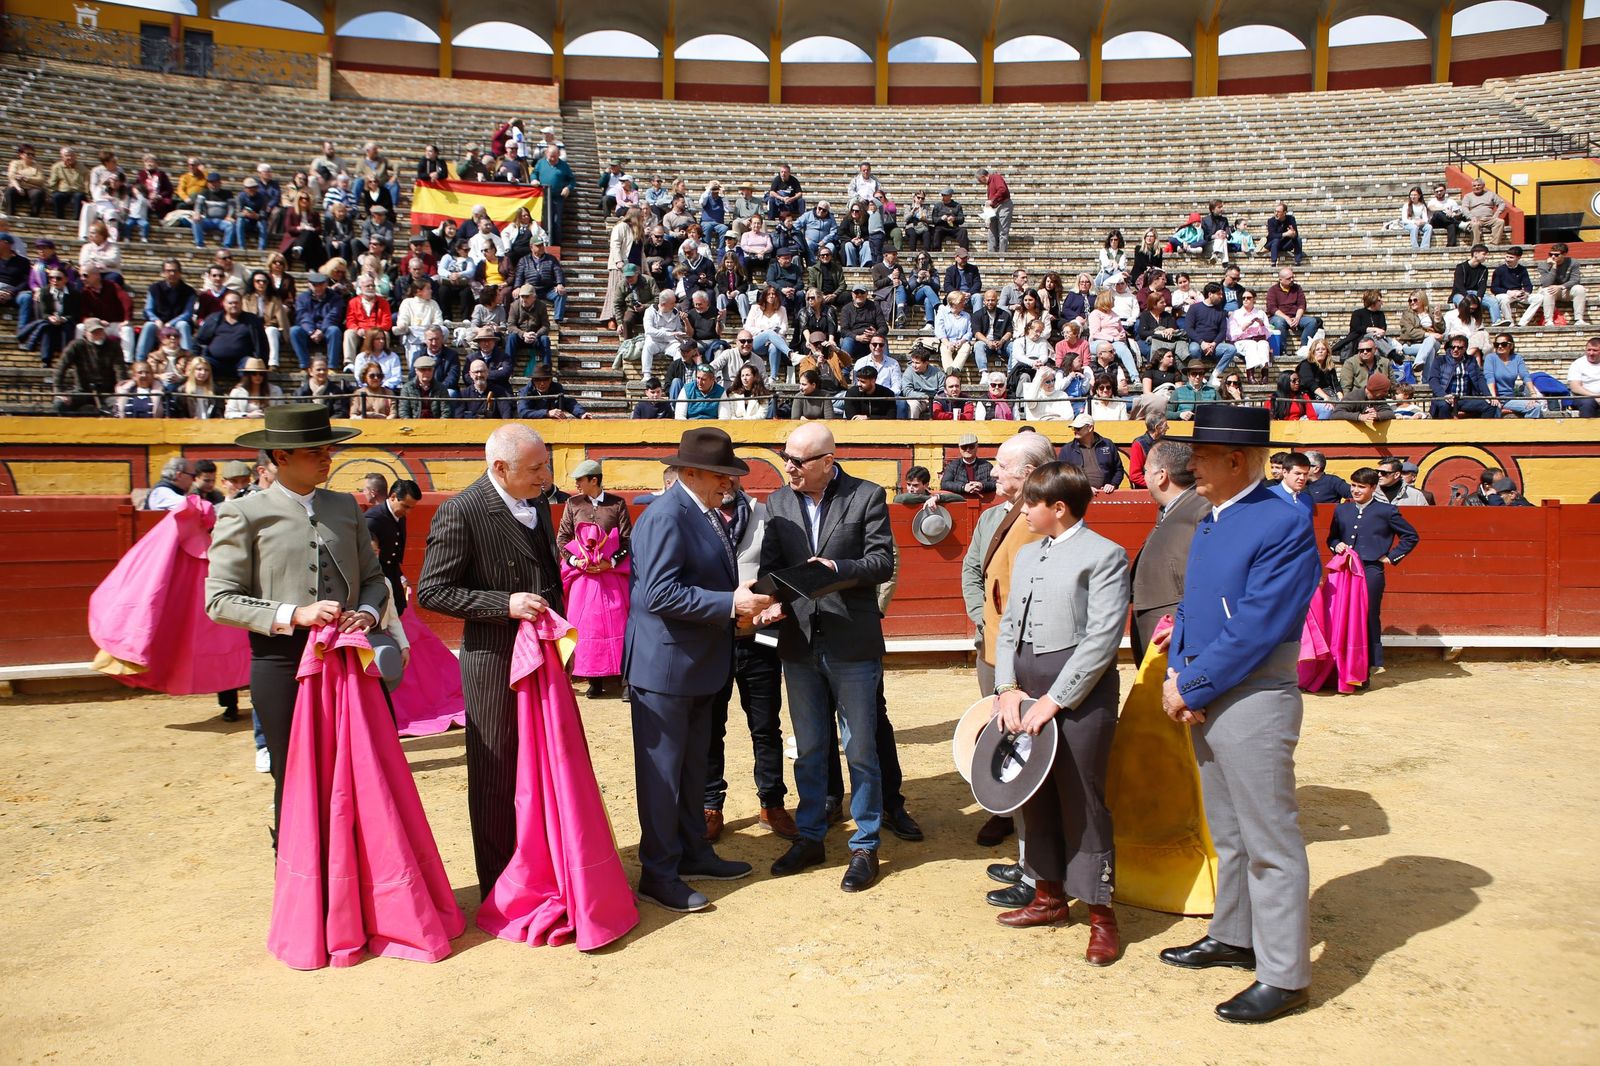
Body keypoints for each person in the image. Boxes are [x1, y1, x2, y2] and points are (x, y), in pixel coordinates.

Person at [1158, 404, 1322, 1024]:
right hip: (1208, 689)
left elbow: (1258, 626)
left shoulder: (1282, 520)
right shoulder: (1214, 515)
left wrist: (1191, 683)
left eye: (1199, 455)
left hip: (1252, 693)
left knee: (1269, 839)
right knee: (1228, 830)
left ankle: (1284, 974)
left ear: (1234, 460)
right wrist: (1180, 669)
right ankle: (1234, 936)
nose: (1188, 463)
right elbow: (1194, 607)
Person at [205, 404, 388, 839]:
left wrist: (365, 611)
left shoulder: (345, 506)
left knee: (360, 772)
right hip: (282, 662)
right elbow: (219, 600)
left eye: (328, 448)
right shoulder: (243, 513)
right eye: (314, 451)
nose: (327, 457)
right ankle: (302, 885)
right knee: (294, 775)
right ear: (281, 457)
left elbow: (374, 580)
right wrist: (293, 614)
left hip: (348, 658)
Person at [622, 428, 773, 912]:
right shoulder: (668, 515)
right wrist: (730, 602)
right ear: (689, 472)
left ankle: (692, 851)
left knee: (689, 771)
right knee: (663, 776)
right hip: (666, 668)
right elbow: (658, 595)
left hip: (692, 664)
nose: (727, 484)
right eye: (719, 474)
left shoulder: (697, 511)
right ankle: (659, 872)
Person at [413, 424, 565, 896]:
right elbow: (432, 591)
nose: (546, 477)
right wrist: (504, 604)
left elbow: (548, 574)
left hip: (538, 656)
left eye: (545, 465)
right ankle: (500, 884)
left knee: (543, 763)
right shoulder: (461, 510)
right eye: (536, 467)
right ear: (500, 467)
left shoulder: (537, 501)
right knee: (497, 770)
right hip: (493, 659)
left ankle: (542, 865)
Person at [990, 462, 1130, 965]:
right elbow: (1008, 628)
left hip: (1079, 693)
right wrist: (1007, 689)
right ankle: (1048, 896)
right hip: (1026, 688)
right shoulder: (1028, 555)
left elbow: (1101, 641)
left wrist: (1056, 699)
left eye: (1031, 502)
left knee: (1083, 796)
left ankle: (1101, 914)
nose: (1023, 509)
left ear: (1059, 508)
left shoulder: (1105, 555)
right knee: (1033, 790)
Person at [761, 423, 896, 893]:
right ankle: (813, 835)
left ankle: (864, 844)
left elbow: (882, 563)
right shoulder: (777, 501)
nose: (790, 467)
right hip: (798, 640)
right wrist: (772, 600)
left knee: (859, 747)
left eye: (798, 460)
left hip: (850, 639)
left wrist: (837, 568)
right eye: (786, 457)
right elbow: (771, 569)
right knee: (811, 747)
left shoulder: (866, 496)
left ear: (827, 461)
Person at [960, 430, 1056, 860]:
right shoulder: (990, 518)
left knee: (1035, 735)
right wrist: (986, 621)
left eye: (1001, 465)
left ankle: (1034, 839)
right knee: (998, 729)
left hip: (1035, 649)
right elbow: (972, 573)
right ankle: (1003, 805)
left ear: (1030, 473)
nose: (992, 471)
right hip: (993, 645)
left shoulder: (1054, 520)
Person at [702, 476, 798, 843]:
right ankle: (711, 804)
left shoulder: (763, 514)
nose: (725, 481)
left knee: (766, 725)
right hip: (712, 635)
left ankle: (772, 803)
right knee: (711, 727)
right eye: (720, 474)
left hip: (761, 634)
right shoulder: (697, 516)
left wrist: (768, 607)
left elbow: (779, 570)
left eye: (732, 474)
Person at [1328, 468, 1420, 679]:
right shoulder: (1342, 510)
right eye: (1353, 485)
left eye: (1361, 487)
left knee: (1368, 614)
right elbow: (1331, 538)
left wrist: (1391, 557)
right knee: (1341, 613)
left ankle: (1369, 663)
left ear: (1372, 488)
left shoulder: (1386, 511)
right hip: (1345, 568)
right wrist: (1337, 545)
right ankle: (1339, 659)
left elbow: (1411, 536)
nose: (1356, 490)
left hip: (1370, 568)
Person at [555, 459, 634, 699]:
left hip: (611, 574)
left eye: (580, 480)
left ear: (594, 480)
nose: (576, 484)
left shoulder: (617, 504)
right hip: (584, 576)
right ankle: (594, 679)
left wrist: (610, 562)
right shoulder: (572, 504)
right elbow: (562, 539)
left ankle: (626, 681)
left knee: (620, 623)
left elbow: (627, 540)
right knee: (587, 626)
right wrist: (575, 561)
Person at [365, 479, 420, 618]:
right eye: (405, 506)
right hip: (375, 578)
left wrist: (400, 576)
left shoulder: (398, 515)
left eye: (411, 508)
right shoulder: (373, 519)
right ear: (393, 497)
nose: (408, 512)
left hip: (392, 574)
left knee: (399, 607)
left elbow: (393, 554)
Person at [1518, 243, 1587, 328]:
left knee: (1579, 289)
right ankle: (1549, 321)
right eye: (1551, 254)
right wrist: (1554, 267)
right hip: (1550, 292)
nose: (1553, 257)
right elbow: (1546, 283)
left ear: (1564, 254)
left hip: (1564, 290)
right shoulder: (1543, 265)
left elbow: (1575, 280)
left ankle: (1579, 319)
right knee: (1548, 290)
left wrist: (1560, 287)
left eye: (1556, 255)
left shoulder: (1573, 263)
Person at [1426, 335, 1492, 419]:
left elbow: (1480, 378)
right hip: (1445, 398)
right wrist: (1444, 395)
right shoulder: (1440, 360)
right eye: (1453, 347)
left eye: (1459, 348)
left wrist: (1488, 395)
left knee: (1490, 406)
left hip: (1464, 398)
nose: (1455, 350)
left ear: (1465, 349)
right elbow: (1433, 380)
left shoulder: (1471, 360)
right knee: (1444, 406)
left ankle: (1480, 430)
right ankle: (1444, 430)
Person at [1057, 412, 1124, 493]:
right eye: (1073, 428)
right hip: (1078, 495)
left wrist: (1112, 484)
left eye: (1078, 428)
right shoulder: (1067, 449)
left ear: (1090, 428)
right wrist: (1082, 488)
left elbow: (1118, 469)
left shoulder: (1108, 444)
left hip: (1106, 494)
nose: (1074, 431)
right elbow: (1061, 475)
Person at [1461, 177, 1508, 246]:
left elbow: (1502, 203)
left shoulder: (1491, 194)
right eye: (1474, 186)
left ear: (1483, 186)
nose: (1476, 187)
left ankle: (1494, 244)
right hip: (1475, 219)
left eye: (1478, 185)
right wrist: (1471, 217)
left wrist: (1498, 212)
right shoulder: (1468, 196)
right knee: (1475, 225)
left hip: (1489, 218)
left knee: (1500, 222)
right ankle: (1476, 246)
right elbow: (1464, 208)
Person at [979, 167, 1012, 254]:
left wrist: (992, 200)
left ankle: (1002, 253)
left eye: (980, 180)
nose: (980, 182)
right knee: (991, 231)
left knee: (1003, 231)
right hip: (994, 208)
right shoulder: (989, 184)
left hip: (1004, 205)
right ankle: (991, 253)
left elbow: (1002, 189)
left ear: (983, 176)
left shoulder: (996, 177)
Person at [1566, 335, 1600, 417]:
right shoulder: (1578, 364)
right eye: (1589, 350)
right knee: (1588, 403)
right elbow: (1575, 387)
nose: (1591, 353)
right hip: (1584, 397)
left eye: (1595, 350)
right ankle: (1588, 429)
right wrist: (1595, 396)